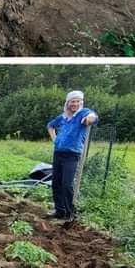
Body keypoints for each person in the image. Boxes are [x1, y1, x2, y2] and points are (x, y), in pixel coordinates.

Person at [46, 90, 98, 221]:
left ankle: (70, 214)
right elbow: (50, 126)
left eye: (77, 101)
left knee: (67, 184)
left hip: (72, 155)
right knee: (56, 183)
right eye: (72, 101)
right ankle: (59, 211)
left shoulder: (83, 113)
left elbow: (93, 116)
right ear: (67, 103)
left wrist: (89, 119)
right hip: (58, 153)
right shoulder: (63, 117)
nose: (74, 104)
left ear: (81, 103)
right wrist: (55, 139)